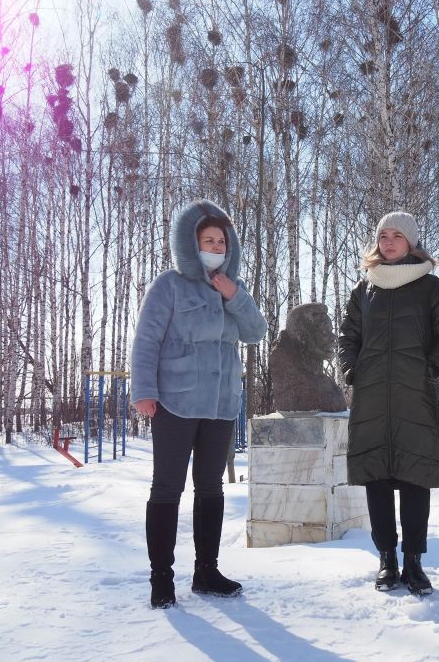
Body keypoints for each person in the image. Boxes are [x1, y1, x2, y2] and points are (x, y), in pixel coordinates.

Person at [131, 199, 267, 609]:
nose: (215, 247)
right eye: (208, 240)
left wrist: (235, 296)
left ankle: (206, 571)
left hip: (221, 403)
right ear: (191, 244)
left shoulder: (232, 288)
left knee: (211, 487)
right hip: (174, 401)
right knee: (167, 488)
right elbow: (147, 340)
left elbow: (256, 332)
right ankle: (161, 579)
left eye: (222, 242)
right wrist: (144, 390)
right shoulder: (169, 284)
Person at [339, 212, 439, 595]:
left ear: (411, 242)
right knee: (376, 478)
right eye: (383, 236)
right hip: (372, 395)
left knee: (414, 479)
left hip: (415, 397)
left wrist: (430, 368)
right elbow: (348, 336)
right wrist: (351, 370)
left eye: (397, 236)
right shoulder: (364, 289)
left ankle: (414, 562)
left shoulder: (429, 287)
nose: (388, 242)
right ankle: (386, 560)